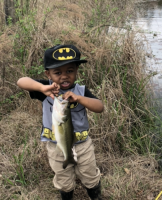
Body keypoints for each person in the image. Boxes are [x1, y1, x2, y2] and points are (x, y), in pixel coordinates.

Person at [17, 44, 104, 200]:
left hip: (82, 144)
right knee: (63, 177)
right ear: (48, 74)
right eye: (57, 72)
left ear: (77, 71)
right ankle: (66, 195)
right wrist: (41, 87)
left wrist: (80, 99)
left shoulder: (82, 91)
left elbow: (100, 107)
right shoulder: (45, 89)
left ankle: (95, 195)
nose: (64, 76)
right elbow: (21, 81)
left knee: (90, 174)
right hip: (56, 145)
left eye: (70, 71)